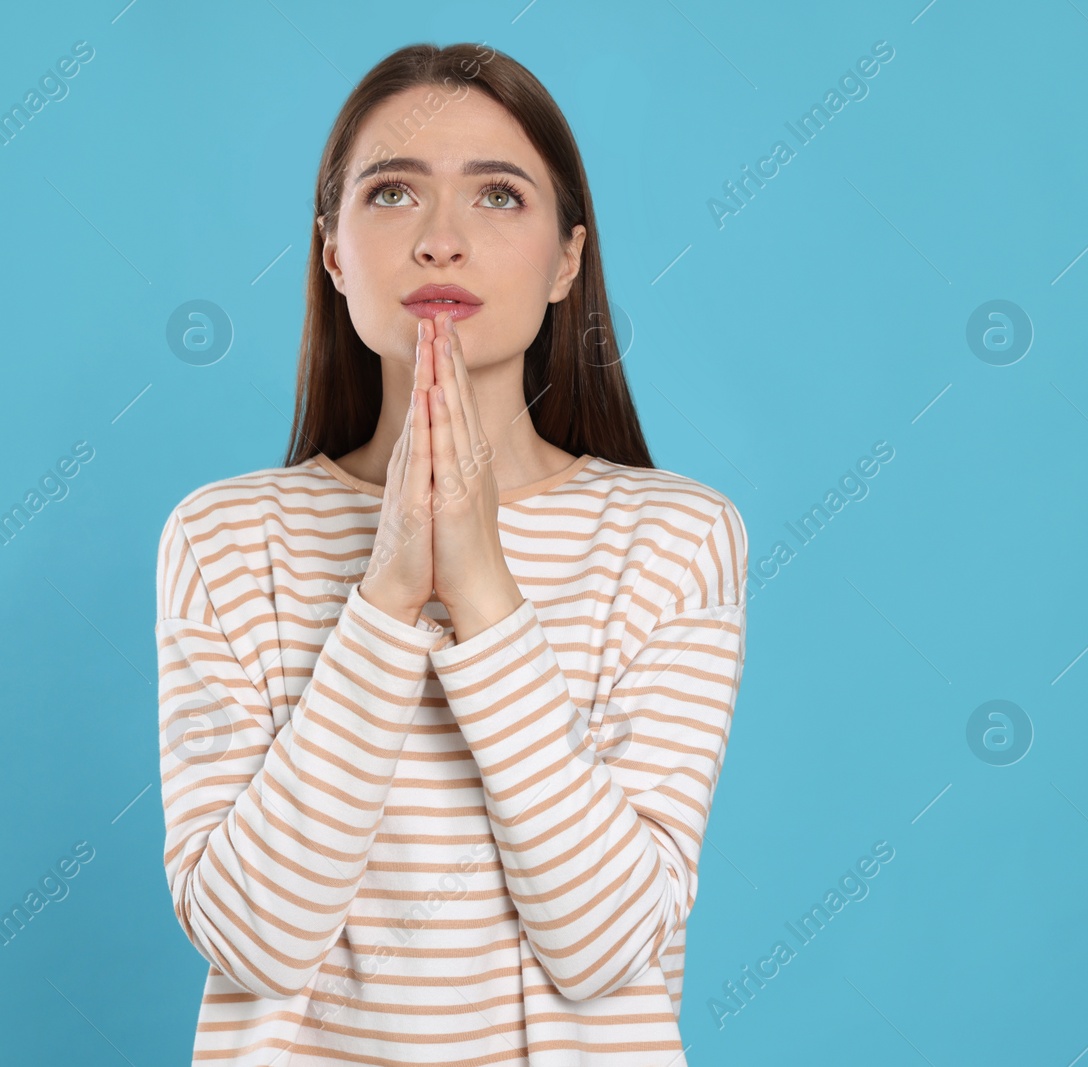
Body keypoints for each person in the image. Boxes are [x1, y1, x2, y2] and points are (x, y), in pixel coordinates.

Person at [154, 41, 747, 1066]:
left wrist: (480, 587)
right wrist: (386, 592)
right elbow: (254, 936)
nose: (440, 241)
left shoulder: (676, 537)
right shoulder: (222, 538)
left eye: (499, 198)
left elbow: (606, 945)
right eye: (391, 194)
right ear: (333, 253)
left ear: (568, 257)